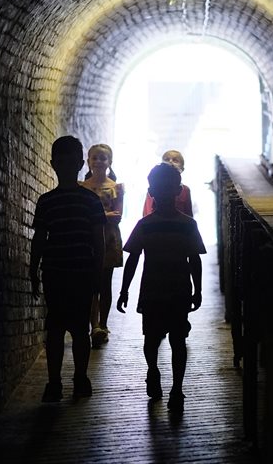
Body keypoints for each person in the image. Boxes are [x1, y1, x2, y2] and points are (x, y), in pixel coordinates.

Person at [117, 163, 206, 412]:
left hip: (155, 291)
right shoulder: (187, 225)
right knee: (175, 341)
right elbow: (194, 259)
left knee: (153, 339)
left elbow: (133, 257)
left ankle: (163, 378)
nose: (164, 193)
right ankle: (173, 386)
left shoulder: (146, 224)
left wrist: (125, 290)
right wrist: (197, 290)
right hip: (177, 290)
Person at [30, 136, 106, 402]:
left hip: (61, 272)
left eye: (66, 158)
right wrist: (33, 268)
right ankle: (75, 380)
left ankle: (59, 382)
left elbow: (41, 239)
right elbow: (97, 240)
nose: (63, 163)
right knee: (71, 328)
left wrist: (34, 268)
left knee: (61, 328)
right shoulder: (89, 201)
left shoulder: (47, 201)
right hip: (72, 273)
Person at [80, 143, 124, 348]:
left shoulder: (117, 188)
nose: (98, 161)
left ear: (110, 162)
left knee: (105, 283)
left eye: (103, 158)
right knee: (90, 284)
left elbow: (118, 216)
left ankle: (103, 325)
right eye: (94, 157)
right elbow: (82, 217)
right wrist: (105, 215)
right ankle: (94, 326)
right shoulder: (81, 187)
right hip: (87, 240)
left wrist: (95, 217)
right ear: (88, 161)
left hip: (109, 239)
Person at [142, 150, 193, 217]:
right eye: (167, 159)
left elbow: (188, 213)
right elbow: (147, 212)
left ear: (182, 168)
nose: (170, 162)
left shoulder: (185, 190)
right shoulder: (154, 187)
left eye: (175, 160)